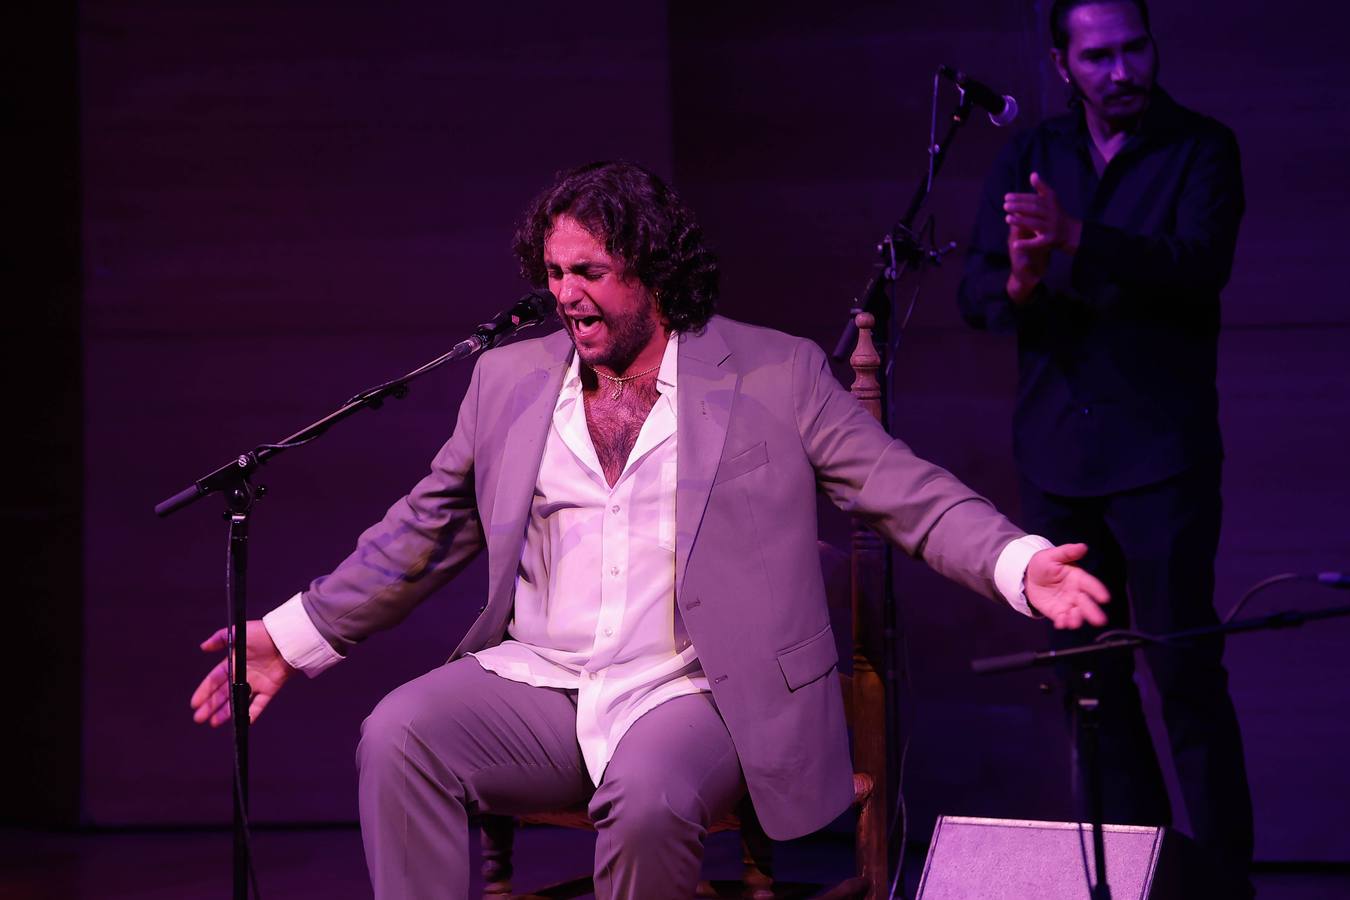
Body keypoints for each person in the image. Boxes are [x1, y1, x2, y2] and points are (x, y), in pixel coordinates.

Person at [193, 160, 1110, 900]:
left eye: (589, 272)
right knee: (400, 737)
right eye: (554, 274)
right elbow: (424, 530)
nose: (566, 295)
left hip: (702, 691)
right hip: (549, 683)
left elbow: (902, 490)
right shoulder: (509, 383)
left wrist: (1019, 564)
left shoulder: (772, 374)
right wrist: (289, 636)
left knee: (646, 797)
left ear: (652, 270)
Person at [957, 0, 1253, 893]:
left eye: (1135, 49)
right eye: (1099, 58)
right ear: (1062, 64)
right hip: (1058, 459)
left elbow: (1198, 262)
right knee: (1092, 690)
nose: (1121, 71)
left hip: (1161, 460)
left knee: (1187, 679)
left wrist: (1078, 238)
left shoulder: (1202, 146)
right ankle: (1138, 877)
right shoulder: (1032, 153)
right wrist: (1019, 279)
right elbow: (977, 295)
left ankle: (1227, 882)